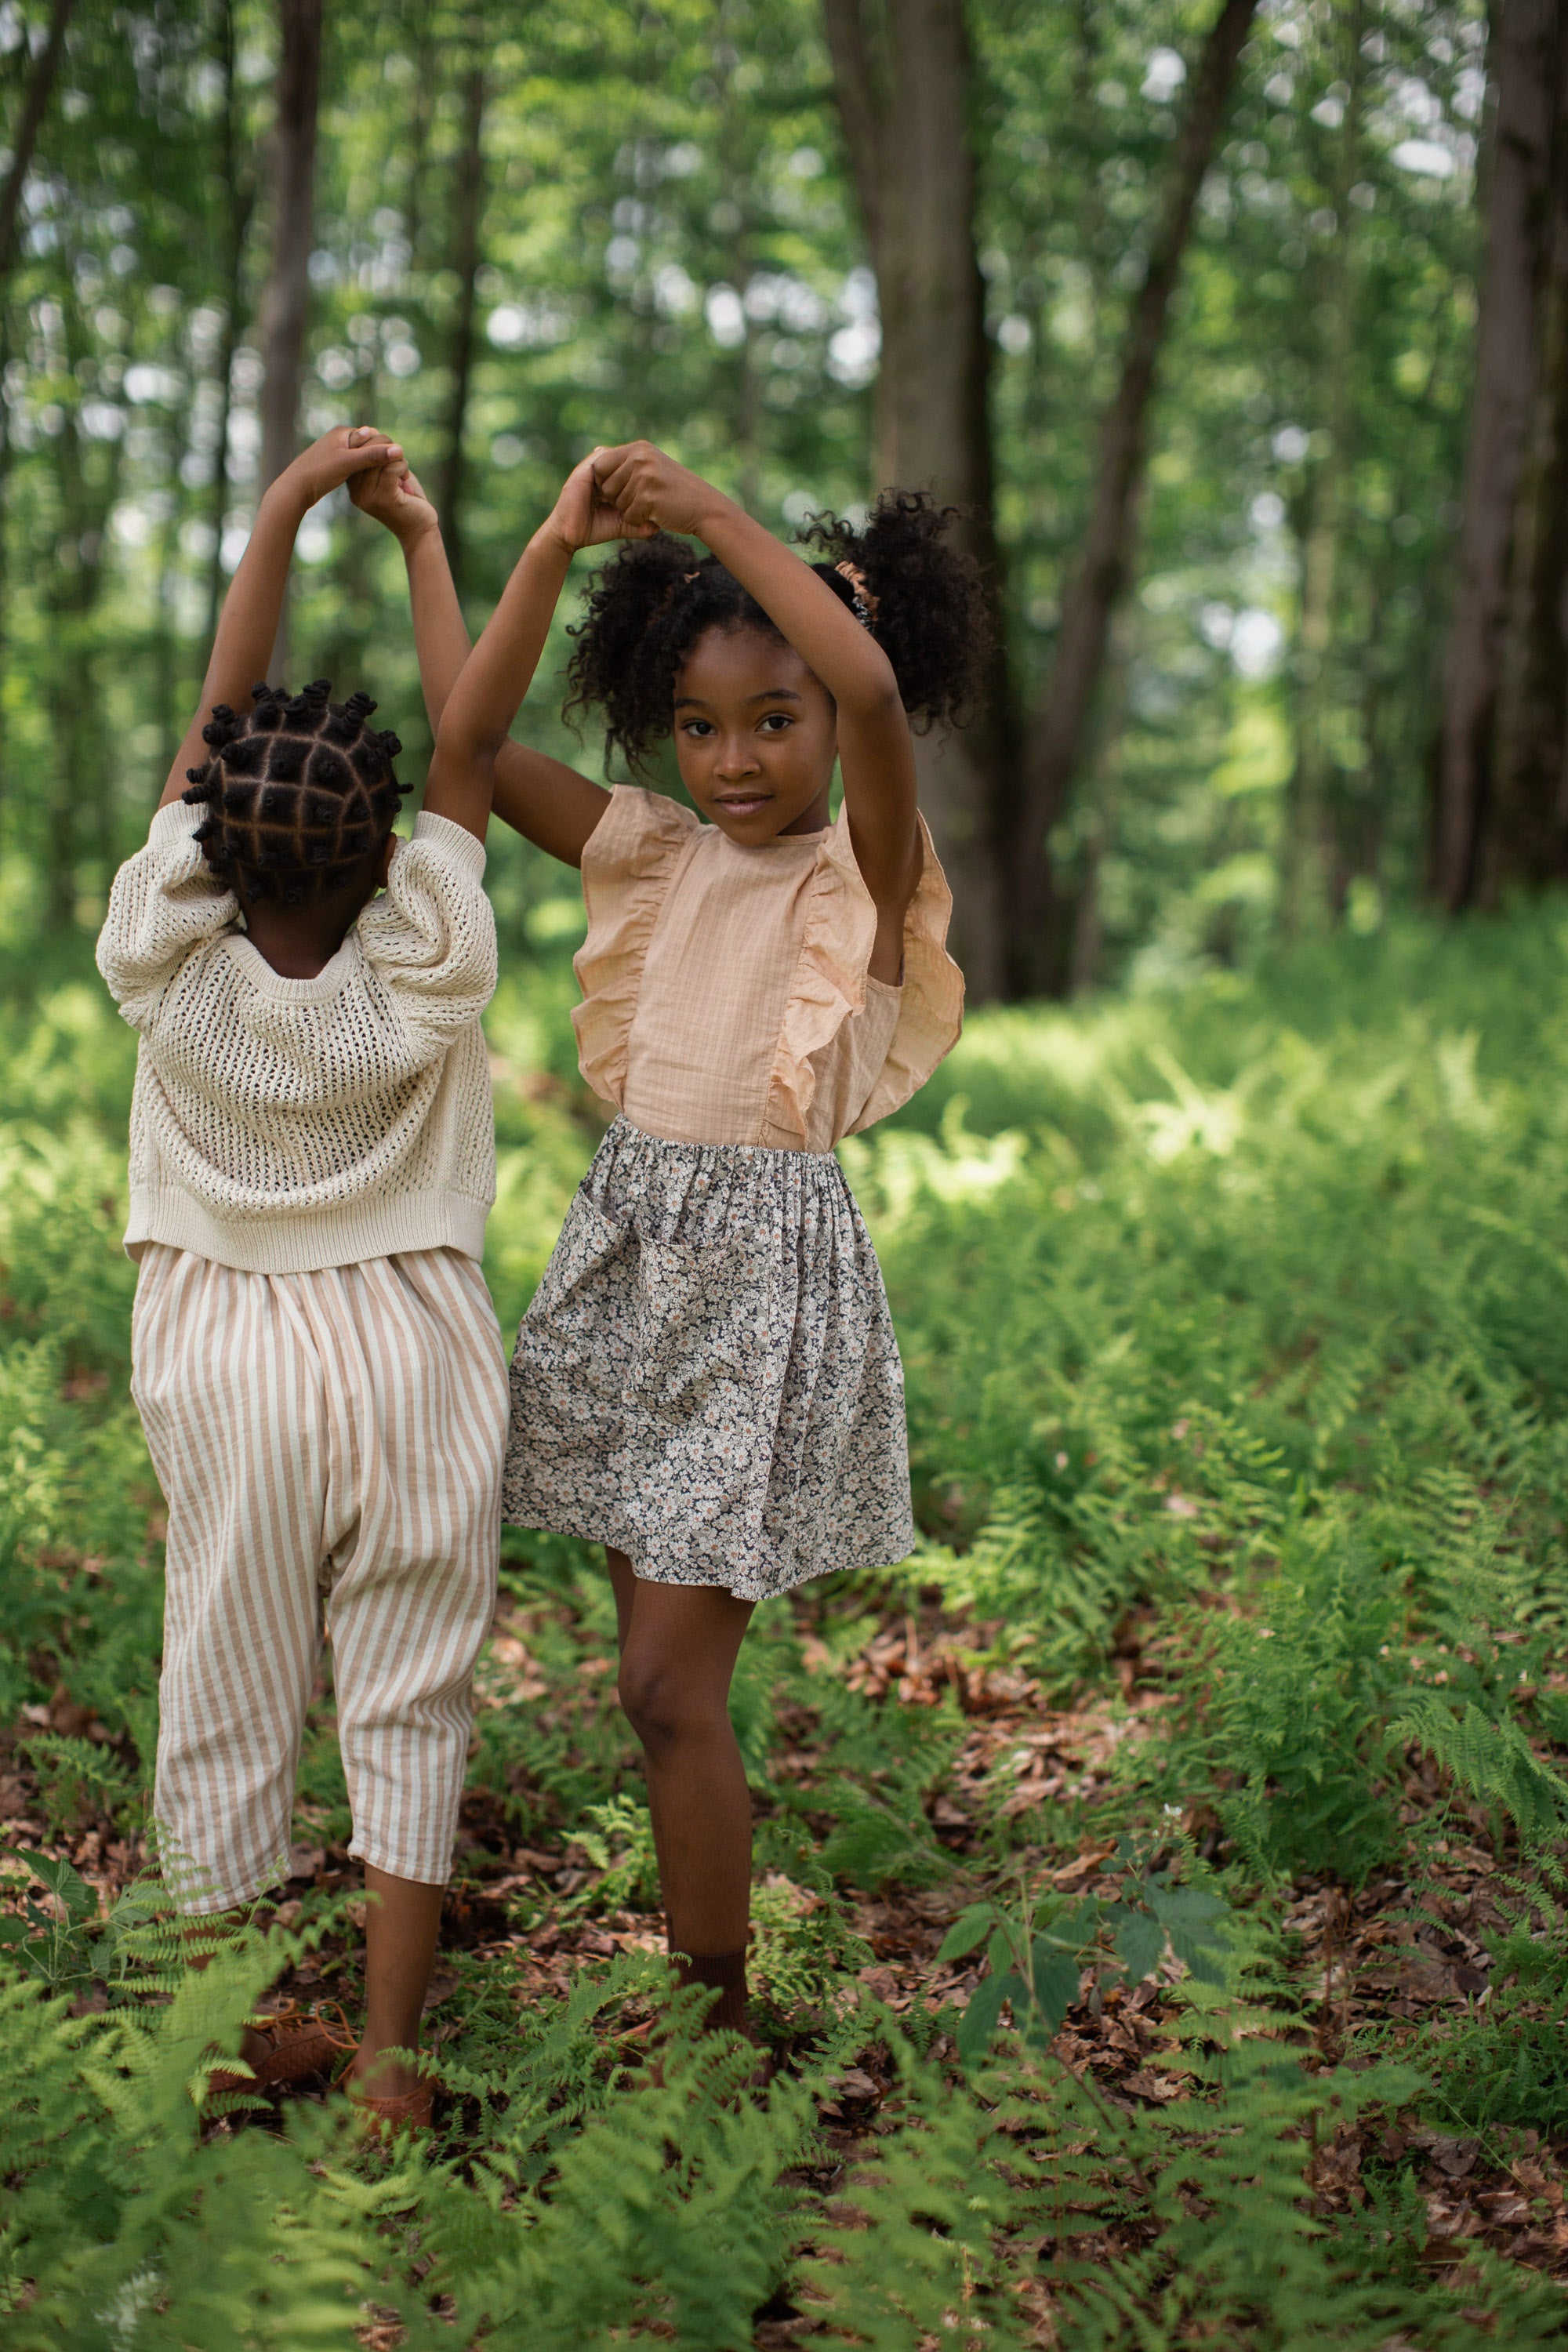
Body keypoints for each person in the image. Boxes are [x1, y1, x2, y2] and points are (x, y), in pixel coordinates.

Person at [352, 438, 982, 2048]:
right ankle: (714, 1998)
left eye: (773, 723)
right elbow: (470, 736)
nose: (735, 759)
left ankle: (719, 2013)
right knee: (650, 1692)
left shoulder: (866, 867)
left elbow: (867, 685)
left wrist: (709, 511)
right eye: (699, 725)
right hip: (635, 1256)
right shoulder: (649, 852)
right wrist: (491, 544)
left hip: (763, 1288)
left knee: (661, 1689)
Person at [95, 426, 635, 2131]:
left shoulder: (161, 949)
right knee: (411, 1686)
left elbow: (213, 728)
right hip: (409, 1342)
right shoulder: (428, 947)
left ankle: (232, 2037)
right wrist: (431, 549)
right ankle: (395, 2068)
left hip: (226, 1343)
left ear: (215, 839)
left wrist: (274, 513)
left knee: (228, 1678)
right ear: (382, 840)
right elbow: (469, 737)